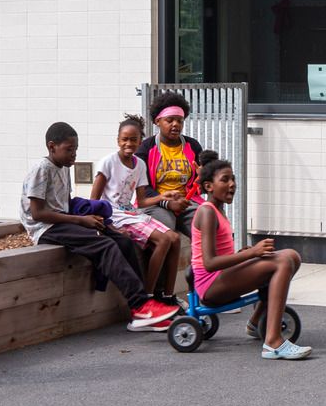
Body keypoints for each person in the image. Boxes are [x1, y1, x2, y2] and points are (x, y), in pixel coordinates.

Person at [24, 122, 177, 331]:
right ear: (52, 147)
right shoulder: (41, 169)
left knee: (123, 241)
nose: (74, 155)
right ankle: (141, 306)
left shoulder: (63, 169)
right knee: (104, 245)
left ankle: (144, 307)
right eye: (69, 150)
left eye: (75, 150)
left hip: (63, 221)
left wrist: (105, 224)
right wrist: (81, 221)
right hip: (45, 229)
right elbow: (37, 213)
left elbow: (65, 204)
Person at [188, 158, 311, 360]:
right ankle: (273, 343)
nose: (232, 184)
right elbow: (209, 263)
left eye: (233, 179)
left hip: (220, 278)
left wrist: (241, 254)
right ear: (208, 186)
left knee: (292, 256)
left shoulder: (218, 211)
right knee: (282, 262)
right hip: (210, 285)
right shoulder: (206, 212)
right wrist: (251, 253)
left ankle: (256, 324)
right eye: (225, 179)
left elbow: (221, 257)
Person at [92, 113, 188, 302]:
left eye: (133, 140)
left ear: (140, 141)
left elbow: (142, 201)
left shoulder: (140, 165)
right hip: (115, 216)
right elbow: (94, 201)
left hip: (131, 213)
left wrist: (163, 196)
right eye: (124, 139)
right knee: (162, 240)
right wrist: (105, 228)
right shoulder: (108, 162)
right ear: (118, 140)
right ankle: (148, 297)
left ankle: (169, 296)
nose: (129, 143)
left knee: (174, 238)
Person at [144, 97, 204, 231]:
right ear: (157, 121)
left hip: (187, 201)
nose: (176, 124)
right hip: (156, 202)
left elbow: (202, 182)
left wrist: (204, 177)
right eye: (169, 120)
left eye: (180, 121)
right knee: (166, 228)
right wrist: (168, 203)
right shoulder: (146, 149)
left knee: (206, 223)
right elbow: (143, 189)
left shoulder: (192, 146)